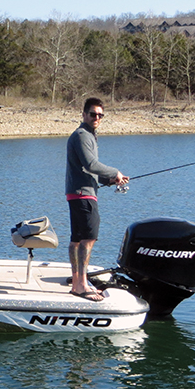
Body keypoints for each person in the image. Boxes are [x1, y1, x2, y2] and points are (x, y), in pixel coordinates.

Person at [65, 98, 129, 301]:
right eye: (93, 114)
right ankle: (82, 286)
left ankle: (77, 283)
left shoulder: (86, 136)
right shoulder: (83, 135)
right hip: (83, 194)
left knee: (76, 239)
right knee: (88, 238)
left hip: (77, 192)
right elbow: (92, 164)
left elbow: (89, 170)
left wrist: (111, 179)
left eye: (100, 115)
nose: (97, 118)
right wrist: (115, 171)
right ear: (84, 115)